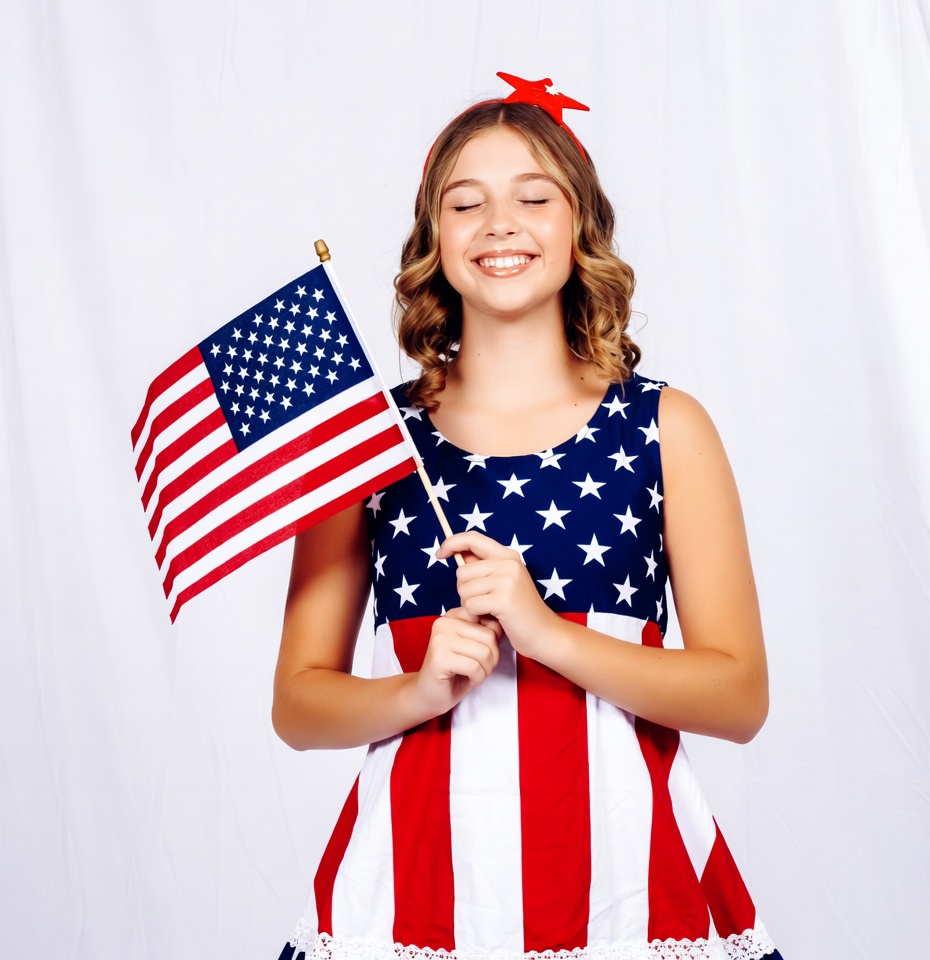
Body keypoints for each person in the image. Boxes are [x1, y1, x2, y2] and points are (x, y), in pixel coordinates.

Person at [273, 73, 782, 960]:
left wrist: (545, 635)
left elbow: (739, 698)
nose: (499, 224)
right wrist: (418, 691)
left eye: (534, 198)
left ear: (579, 226)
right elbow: (298, 703)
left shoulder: (666, 428)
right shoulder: (371, 446)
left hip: (622, 893)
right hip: (414, 897)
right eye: (466, 203)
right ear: (434, 238)